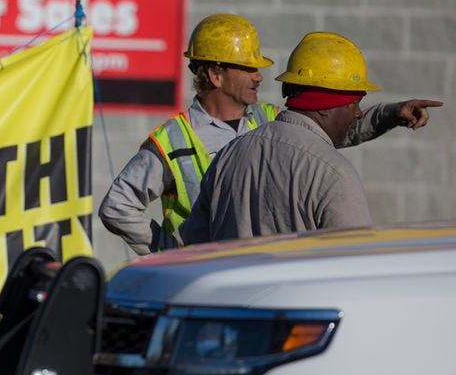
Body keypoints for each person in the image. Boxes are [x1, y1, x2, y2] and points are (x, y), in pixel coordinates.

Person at [179, 31, 443, 244]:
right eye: (355, 102)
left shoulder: (230, 154)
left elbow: (193, 244)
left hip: (228, 309)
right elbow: (354, 265)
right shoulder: (334, 174)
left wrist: (390, 113)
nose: (358, 113)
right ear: (326, 106)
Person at [98, 13, 278, 256]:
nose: (258, 76)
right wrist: (168, 250)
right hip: (205, 281)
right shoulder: (171, 140)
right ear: (216, 75)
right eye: (247, 67)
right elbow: (117, 206)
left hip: (263, 271)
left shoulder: (273, 120)